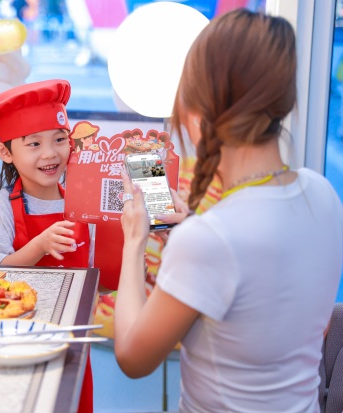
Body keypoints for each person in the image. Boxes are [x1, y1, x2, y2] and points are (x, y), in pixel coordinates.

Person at [114, 9, 343, 412]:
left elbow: (133, 359)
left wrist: (134, 242)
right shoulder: (322, 194)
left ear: (198, 118)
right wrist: (195, 230)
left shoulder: (209, 240)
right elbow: (303, 319)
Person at [0, 79, 94, 412]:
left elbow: (100, 279)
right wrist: (38, 245)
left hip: (71, 339)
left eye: (59, 139)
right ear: (6, 152)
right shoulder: (0, 207)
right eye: (34, 143)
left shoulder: (84, 203)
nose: (50, 153)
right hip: (15, 338)